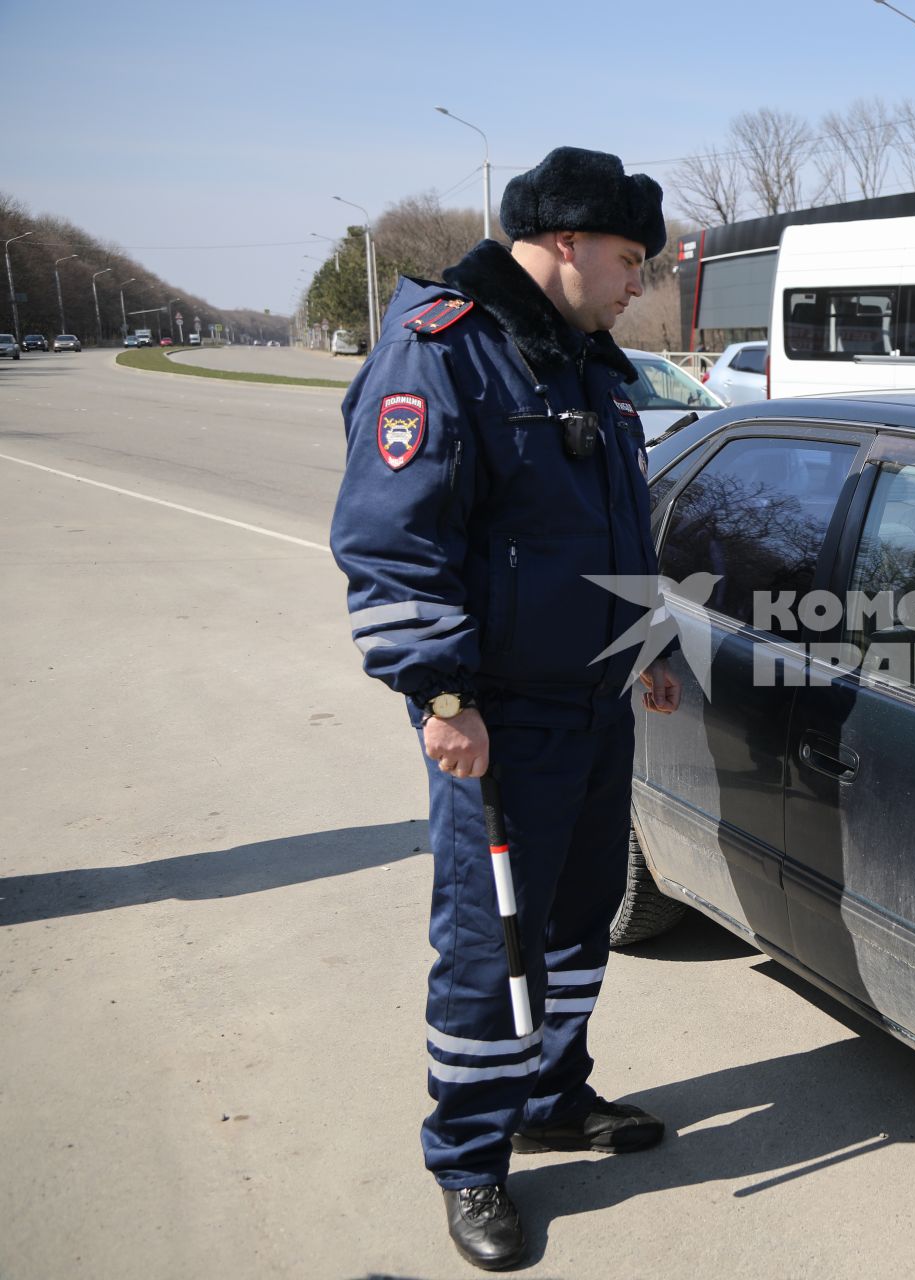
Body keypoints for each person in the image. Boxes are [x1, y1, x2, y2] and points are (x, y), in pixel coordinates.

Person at [329, 145, 681, 1272]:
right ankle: (470, 1154)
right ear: (566, 243)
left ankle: (550, 1093)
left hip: (594, 700)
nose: (640, 283)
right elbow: (393, 545)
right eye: (630, 260)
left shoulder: (584, 360)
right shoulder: (446, 351)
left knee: (578, 918)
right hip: (495, 719)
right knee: (492, 937)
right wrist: (439, 692)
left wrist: (652, 637)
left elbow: (617, 524)